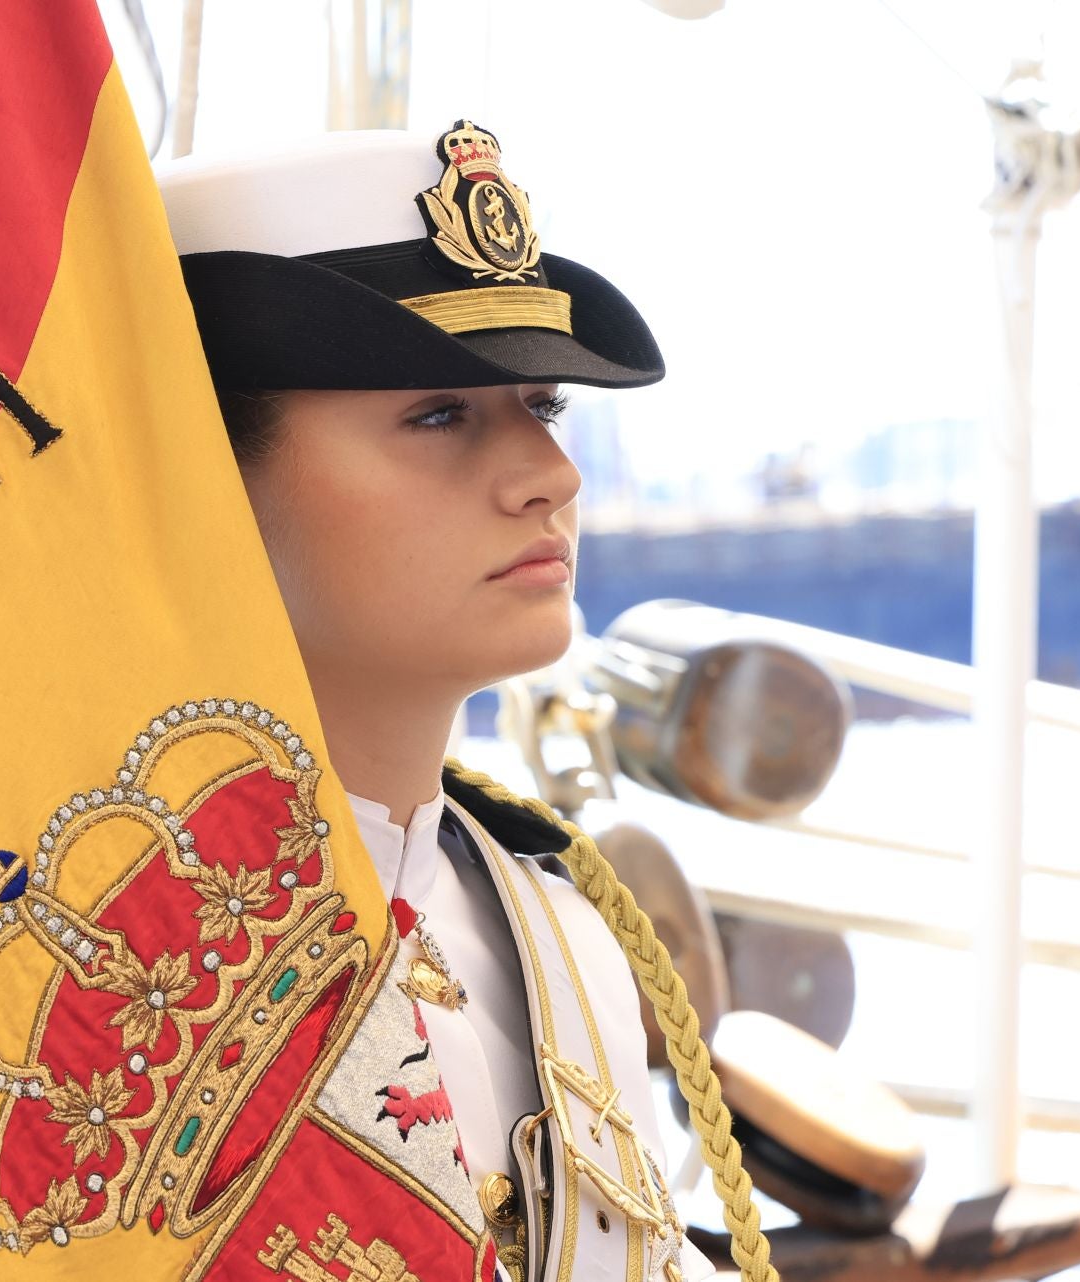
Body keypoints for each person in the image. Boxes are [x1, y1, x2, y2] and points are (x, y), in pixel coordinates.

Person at [154, 119, 750, 1282]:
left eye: (544, 404)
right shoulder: (113, 995)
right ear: (205, 480)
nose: (552, 475)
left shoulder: (571, 945)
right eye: (438, 414)